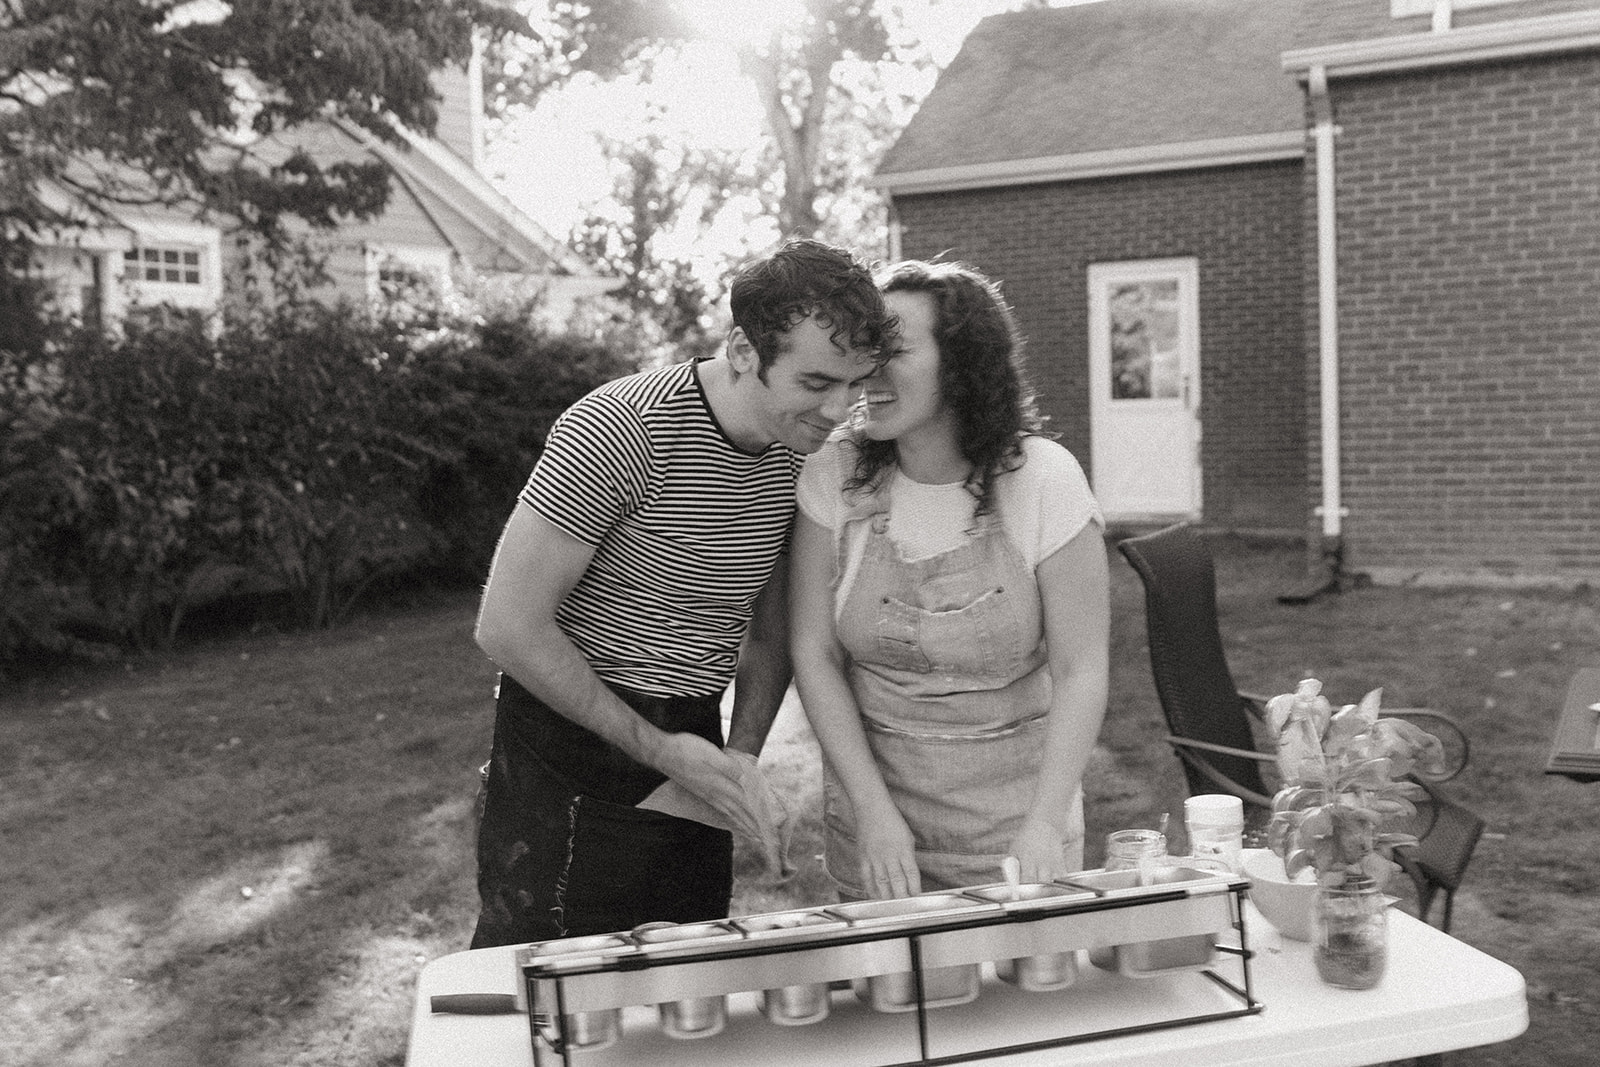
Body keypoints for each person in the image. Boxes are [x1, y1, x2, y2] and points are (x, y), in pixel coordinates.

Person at [470, 239, 894, 947]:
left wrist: (741, 758)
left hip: (694, 729)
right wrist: (662, 752)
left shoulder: (802, 457)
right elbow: (508, 626)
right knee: (549, 989)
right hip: (565, 742)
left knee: (689, 979)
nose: (838, 409)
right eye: (817, 381)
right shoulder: (620, 429)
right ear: (741, 348)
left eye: (856, 383)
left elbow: (770, 631)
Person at [790, 259, 1110, 901]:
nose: (866, 373)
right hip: (877, 828)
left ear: (960, 363)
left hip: (1018, 831)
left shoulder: (1045, 481)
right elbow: (814, 654)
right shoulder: (836, 474)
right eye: (864, 351)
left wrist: (1045, 822)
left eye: (894, 351)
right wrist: (873, 815)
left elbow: (1081, 668)